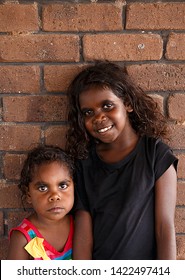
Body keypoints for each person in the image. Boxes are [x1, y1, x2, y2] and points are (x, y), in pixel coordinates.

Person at [65, 60, 178, 260]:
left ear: (127, 104)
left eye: (107, 105)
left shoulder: (155, 155)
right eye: (88, 112)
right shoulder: (84, 164)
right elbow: (83, 235)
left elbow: (164, 227)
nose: (99, 117)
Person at [7, 145, 74, 260]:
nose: (55, 196)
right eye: (43, 188)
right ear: (28, 195)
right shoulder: (23, 238)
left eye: (62, 186)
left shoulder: (79, 225)